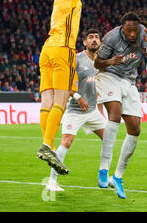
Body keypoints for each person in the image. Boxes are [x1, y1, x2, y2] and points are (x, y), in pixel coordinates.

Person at [37, 0, 112, 175]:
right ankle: (47, 145)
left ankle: (46, 145)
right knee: (60, 100)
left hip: (46, 50)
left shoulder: (58, 0)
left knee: (47, 101)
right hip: (62, 50)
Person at [95, 12, 147, 199]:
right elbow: (97, 63)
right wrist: (110, 61)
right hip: (108, 76)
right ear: (122, 28)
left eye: (134, 30)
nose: (132, 34)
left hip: (129, 81)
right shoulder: (111, 37)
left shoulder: (143, 33)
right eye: (128, 30)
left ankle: (118, 176)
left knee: (135, 129)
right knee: (114, 114)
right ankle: (104, 169)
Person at [45, 29, 106, 192]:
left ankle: (105, 176)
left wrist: (101, 112)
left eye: (97, 37)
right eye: (91, 37)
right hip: (75, 110)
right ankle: (51, 181)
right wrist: (78, 97)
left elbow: (99, 89)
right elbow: (64, 83)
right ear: (84, 42)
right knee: (66, 142)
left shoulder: (101, 61)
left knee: (109, 139)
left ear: (100, 43)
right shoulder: (77, 60)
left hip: (93, 111)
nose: (94, 40)